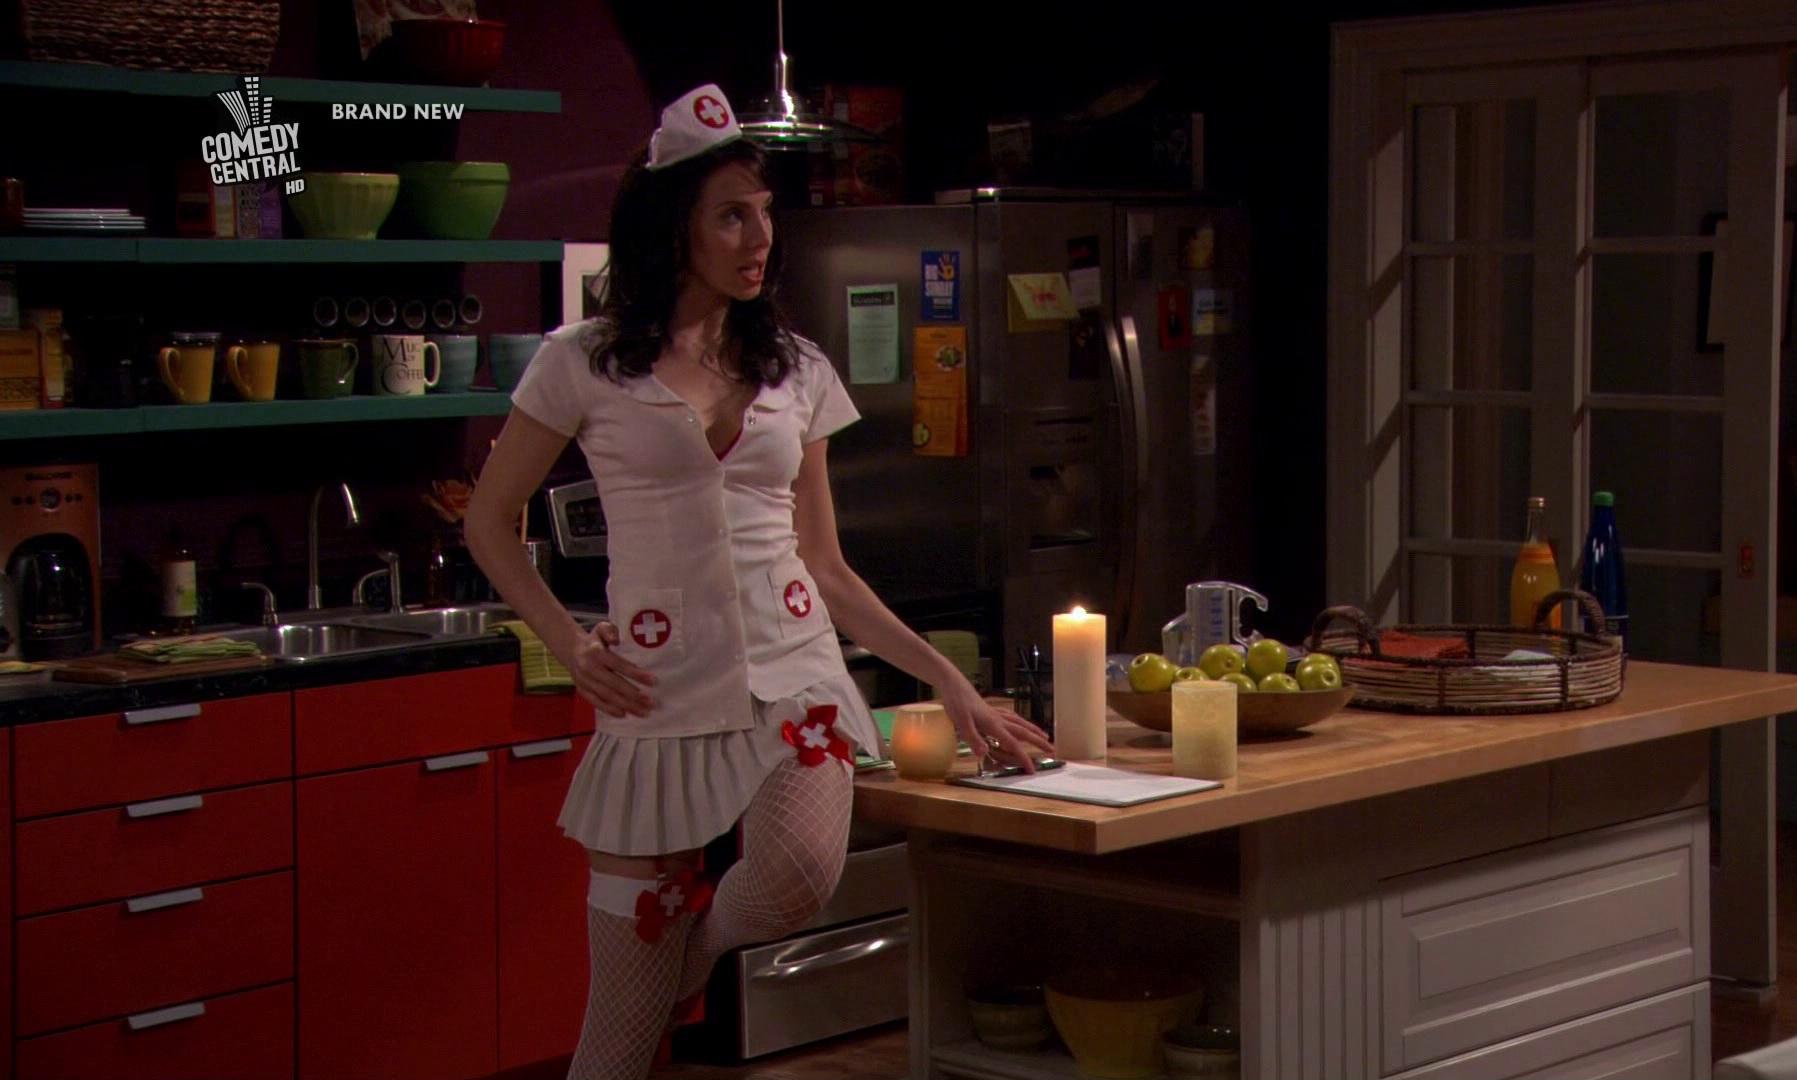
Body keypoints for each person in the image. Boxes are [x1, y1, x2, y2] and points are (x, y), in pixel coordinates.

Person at [464, 84, 1054, 1080]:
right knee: (620, 1039)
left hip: (796, 678)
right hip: (655, 694)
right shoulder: (584, 363)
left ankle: (688, 957)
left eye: (765, 213)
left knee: (796, 877)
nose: (760, 236)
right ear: (674, 228)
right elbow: (489, 521)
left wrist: (948, 682)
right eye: (732, 215)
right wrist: (566, 642)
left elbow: (826, 566)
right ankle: (658, 974)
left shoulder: (797, 369)